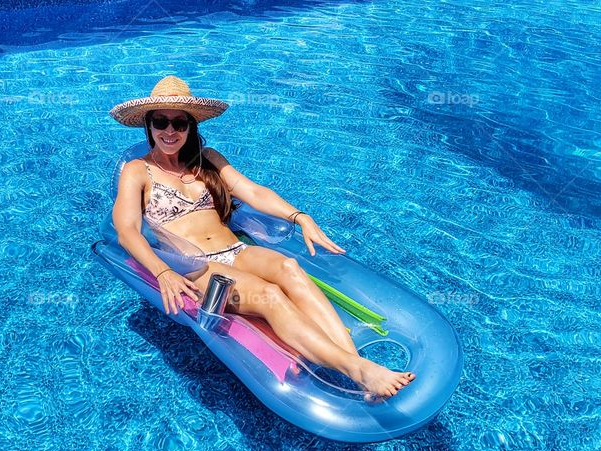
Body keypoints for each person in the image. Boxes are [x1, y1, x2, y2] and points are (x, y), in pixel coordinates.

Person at [109, 76, 414, 401]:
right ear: (148, 124)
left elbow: (252, 191)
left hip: (236, 250)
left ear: (191, 125)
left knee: (289, 268)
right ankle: (360, 372)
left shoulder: (207, 159)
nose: (170, 132)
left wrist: (300, 217)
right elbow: (126, 229)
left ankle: (357, 363)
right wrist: (163, 271)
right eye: (161, 121)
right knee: (270, 295)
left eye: (179, 123)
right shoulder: (137, 170)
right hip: (197, 266)